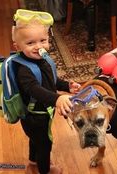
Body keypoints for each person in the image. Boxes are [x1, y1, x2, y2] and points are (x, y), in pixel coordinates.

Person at [11, 9, 81, 174]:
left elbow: (51, 80)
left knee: (36, 140)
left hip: (42, 112)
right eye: (30, 43)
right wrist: (57, 99)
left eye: (43, 40)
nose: (38, 47)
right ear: (18, 47)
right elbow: (35, 89)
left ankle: (32, 163)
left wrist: (66, 86)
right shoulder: (23, 70)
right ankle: (44, 170)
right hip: (33, 116)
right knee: (45, 145)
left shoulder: (44, 60)